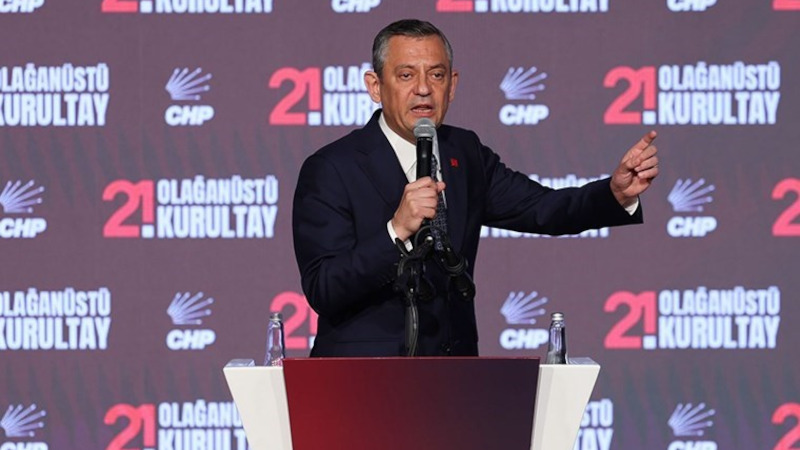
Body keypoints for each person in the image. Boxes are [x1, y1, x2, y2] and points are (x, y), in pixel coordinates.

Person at [292, 19, 659, 357]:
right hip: (363, 380)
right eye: (406, 75)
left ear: (452, 85)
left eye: (436, 75)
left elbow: (541, 208)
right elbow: (324, 288)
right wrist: (396, 231)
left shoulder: (463, 152)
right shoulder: (332, 168)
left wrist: (614, 193)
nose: (423, 89)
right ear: (375, 86)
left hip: (456, 380)